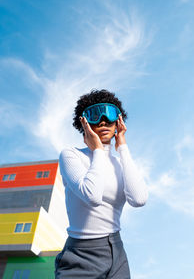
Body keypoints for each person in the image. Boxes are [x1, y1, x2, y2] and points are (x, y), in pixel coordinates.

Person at [55, 89, 148, 279]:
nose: (103, 121)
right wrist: (98, 149)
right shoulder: (72, 155)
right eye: (95, 115)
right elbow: (92, 196)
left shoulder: (121, 163)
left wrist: (122, 146)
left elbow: (139, 199)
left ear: (119, 121)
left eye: (110, 114)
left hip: (117, 251)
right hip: (81, 254)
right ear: (84, 122)